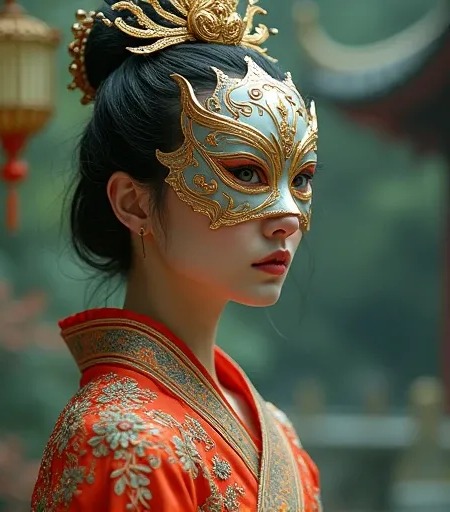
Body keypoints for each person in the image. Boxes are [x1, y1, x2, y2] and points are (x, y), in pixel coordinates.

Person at [31, 0, 321, 510]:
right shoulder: (123, 442)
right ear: (133, 202)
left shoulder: (276, 430)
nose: (288, 215)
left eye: (300, 180)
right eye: (245, 172)